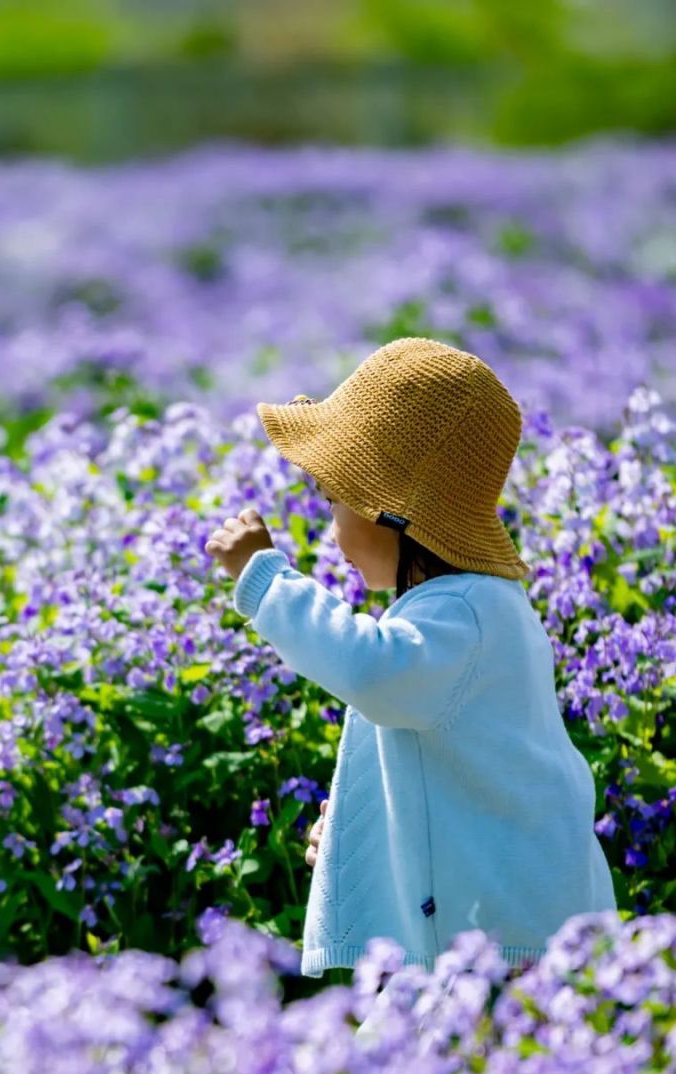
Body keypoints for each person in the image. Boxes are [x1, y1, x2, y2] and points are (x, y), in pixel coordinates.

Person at [204, 336, 617, 980]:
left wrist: (266, 581)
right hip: (487, 934)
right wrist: (350, 839)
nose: (329, 522)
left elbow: (369, 671)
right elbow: (441, 780)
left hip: (507, 942)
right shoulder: (461, 609)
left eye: (335, 500)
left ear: (390, 511)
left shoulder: (467, 613)